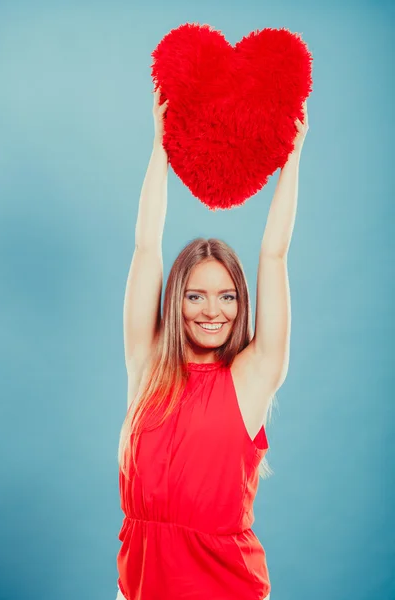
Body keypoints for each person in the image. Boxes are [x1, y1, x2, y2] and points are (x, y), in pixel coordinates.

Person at [115, 87, 308, 600]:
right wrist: (161, 146)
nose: (211, 311)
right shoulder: (147, 365)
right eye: (195, 295)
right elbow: (146, 245)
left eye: (227, 297)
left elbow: (275, 255)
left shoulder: (254, 375)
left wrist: (291, 159)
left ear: (242, 304)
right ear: (176, 300)